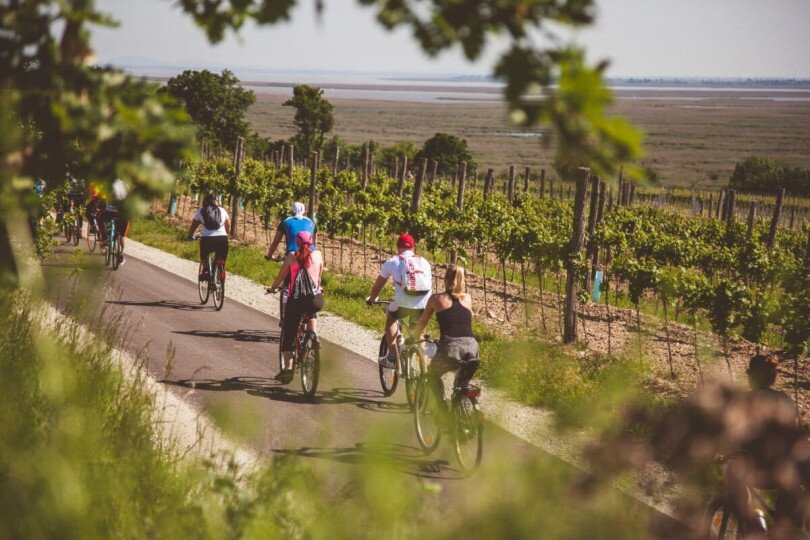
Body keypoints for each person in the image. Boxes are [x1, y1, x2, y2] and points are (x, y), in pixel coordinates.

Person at [722, 353, 804, 533]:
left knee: (732, 472)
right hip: (786, 469)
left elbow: (734, 433)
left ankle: (754, 525)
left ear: (753, 376)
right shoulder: (786, 400)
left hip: (759, 468)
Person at [413, 265, 479, 424]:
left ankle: (443, 412)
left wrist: (414, 337)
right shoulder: (468, 298)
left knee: (432, 374)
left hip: (451, 349)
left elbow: (422, 323)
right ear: (463, 280)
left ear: (445, 279)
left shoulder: (436, 299)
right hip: (472, 349)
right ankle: (462, 417)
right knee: (462, 385)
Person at [365, 233, 432, 368]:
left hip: (403, 303)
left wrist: (372, 298)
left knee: (391, 318)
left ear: (398, 247)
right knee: (419, 330)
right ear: (413, 248)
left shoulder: (393, 261)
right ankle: (423, 367)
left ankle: (392, 357)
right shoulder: (424, 262)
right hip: (424, 304)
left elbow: (378, 285)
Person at [267, 231, 324, 382]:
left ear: (297, 242)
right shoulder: (318, 255)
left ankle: (288, 368)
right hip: (316, 299)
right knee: (311, 311)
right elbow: (319, 276)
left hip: (297, 300)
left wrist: (272, 288)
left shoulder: (292, 256)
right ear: (311, 242)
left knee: (289, 331)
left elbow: (281, 277)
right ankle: (314, 335)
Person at [188, 193, 231, 280]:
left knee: (204, 255)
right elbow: (228, 225)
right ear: (216, 202)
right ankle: (221, 271)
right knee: (221, 258)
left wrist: (190, 236)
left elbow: (193, 225)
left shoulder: (201, 211)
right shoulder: (222, 210)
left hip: (207, 239)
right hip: (222, 239)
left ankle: (206, 270)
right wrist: (227, 234)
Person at [96, 180, 131, 265]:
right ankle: (121, 255)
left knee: (99, 218)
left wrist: (98, 206)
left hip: (109, 213)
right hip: (122, 214)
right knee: (121, 236)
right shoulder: (127, 185)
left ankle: (105, 238)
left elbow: (101, 197)